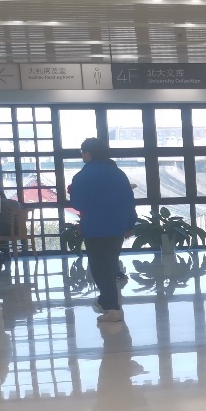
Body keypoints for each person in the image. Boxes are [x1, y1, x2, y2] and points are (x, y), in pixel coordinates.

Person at [68, 138, 138, 324]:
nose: (82, 156)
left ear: (88, 153)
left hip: (96, 227)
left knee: (100, 268)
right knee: (109, 264)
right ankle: (106, 302)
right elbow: (129, 201)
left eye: (82, 152)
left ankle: (112, 308)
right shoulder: (118, 174)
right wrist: (130, 224)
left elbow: (78, 203)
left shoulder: (83, 176)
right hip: (117, 227)